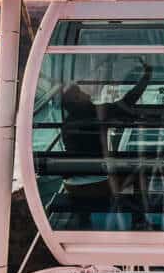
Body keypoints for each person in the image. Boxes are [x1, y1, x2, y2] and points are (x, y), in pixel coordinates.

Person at [58, 58, 153, 225]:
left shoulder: (67, 124)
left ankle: (83, 222)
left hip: (72, 186)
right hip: (98, 185)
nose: (86, 93)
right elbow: (129, 100)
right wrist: (147, 75)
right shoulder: (97, 113)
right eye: (81, 93)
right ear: (77, 101)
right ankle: (139, 219)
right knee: (141, 170)